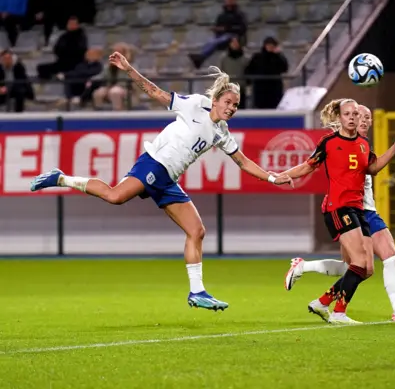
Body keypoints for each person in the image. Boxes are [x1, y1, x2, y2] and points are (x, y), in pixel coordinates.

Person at [30, 53, 294, 311]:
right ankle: (60, 177)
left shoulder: (221, 132)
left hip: (169, 179)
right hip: (154, 164)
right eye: (228, 102)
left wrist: (273, 177)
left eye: (235, 105)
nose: (231, 108)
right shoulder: (196, 104)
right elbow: (157, 93)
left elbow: (243, 162)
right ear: (215, 100)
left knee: (197, 231)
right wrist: (128, 69)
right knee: (114, 196)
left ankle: (197, 292)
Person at [273, 98, 395, 324]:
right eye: (347, 114)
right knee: (358, 262)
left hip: (358, 209)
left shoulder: (364, 144)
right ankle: (338, 313)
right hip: (338, 207)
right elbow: (309, 165)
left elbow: (373, 169)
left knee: (365, 268)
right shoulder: (329, 142)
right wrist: (285, 174)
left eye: (355, 114)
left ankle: (322, 303)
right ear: (339, 117)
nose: (352, 118)